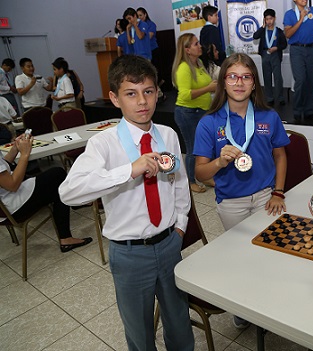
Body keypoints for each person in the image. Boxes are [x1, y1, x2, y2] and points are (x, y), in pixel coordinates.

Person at [58, 55, 194, 351]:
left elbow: (180, 182)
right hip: (130, 254)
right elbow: (69, 192)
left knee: (180, 323)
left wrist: (181, 225)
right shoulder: (103, 144)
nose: (142, 102)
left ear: (158, 93)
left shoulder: (168, 135)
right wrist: (129, 170)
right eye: (131, 94)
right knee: (139, 333)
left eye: (148, 91)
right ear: (115, 98)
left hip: (170, 243)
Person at [194, 53, 289, 329]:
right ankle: (243, 306)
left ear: (254, 84)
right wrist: (219, 161)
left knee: (270, 251)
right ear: (223, 82)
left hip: (265, 197)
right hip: (230, 202)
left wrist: (278, 192)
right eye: (232, 76)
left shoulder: (268, 116)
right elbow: (200, 173)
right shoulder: (209, 123)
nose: (239, 82)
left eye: (246, 77)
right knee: (240, 257)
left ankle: (270, 301)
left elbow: (280, 156)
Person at [1, 132, 91, 252]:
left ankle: (71, 208)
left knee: (52, 182)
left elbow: (4, 167)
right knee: (57, 175)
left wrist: (15, 149)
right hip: (12, 206)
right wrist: (25, 154)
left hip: (7, 203)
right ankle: (66, 236)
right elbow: (12, 185)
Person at [172, 33, 217, 193]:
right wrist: (208, 88)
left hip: (202, 112)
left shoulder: (198, 63)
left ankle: (205, 176)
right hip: (187, 113)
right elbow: (184, 94)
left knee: (206, 146)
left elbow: (205, 85)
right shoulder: (184, 68)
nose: (200, 46)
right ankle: (190, 181)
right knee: (193, 148)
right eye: (196, 44)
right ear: (187, 50)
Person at [253, 8, 288, 106]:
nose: (269, 21)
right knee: (266, 77)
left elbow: (284, 44)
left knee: (278, 77)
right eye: (267, 19)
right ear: (264, 20)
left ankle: (280, 97)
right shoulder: (263, 31)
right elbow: (255, 36)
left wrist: (277, 48)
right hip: (265, 54)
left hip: (275, 55)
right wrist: (262, 27)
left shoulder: (279, 31)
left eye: (271, 19)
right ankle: (269, 98)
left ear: (274, 18)